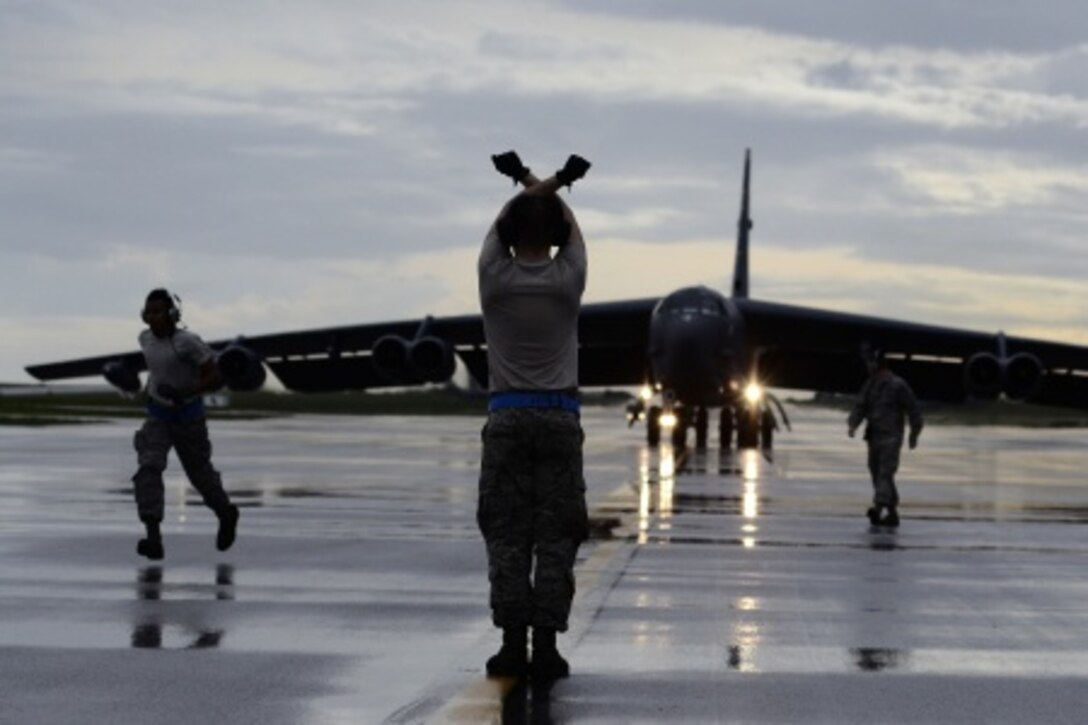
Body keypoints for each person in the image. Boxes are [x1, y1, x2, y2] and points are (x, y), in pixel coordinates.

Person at [477, 151, 591, 680]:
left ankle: (510, 645)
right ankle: (546, 647)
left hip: (507, 420)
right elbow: (569, 227)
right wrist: (559, 182)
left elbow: (506, 222)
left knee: (506, 535)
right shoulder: (567, 280)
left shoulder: (494, 279)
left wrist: (522, 179)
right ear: (554, 238)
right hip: (559, 422)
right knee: (556, 536)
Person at [132, 288, 239, 560]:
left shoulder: (188, 342)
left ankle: (226, 513)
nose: (152, 317)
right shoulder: (144, 339)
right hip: (158, 416)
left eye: (158, 311)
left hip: (188, 418)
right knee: (148, 468)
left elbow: (216, 376)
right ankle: (153, 536)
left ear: (172, 314)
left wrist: (187, 391)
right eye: (149, 312)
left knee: (199, 474)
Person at [847, 350, 923, 527]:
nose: (868, 366)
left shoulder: (898, 385)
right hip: (874, 437)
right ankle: (892, 514)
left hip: (891, 437)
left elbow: (914, 410)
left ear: (878, 364)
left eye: (871, 363)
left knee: (884, 473)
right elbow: (860, 407)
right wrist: (852, 425)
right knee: (878, 474)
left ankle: (877, 509)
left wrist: (914, 434)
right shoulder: (870, 385)